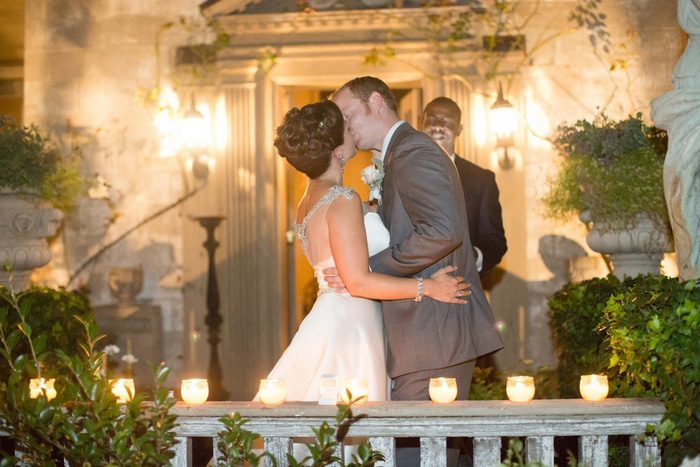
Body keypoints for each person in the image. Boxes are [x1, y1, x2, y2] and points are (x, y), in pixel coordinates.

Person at [258, 99, 470, 403]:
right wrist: (429, 287)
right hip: (351, 325)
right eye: (345, 126)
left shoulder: (308, 200)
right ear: (338, 151)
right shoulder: (342, 199)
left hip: (331, 315)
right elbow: (358, 282)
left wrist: (374, 211)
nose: (352, 128)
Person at [329, 77, 504, 404]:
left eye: (348, 113)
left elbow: (442, 232)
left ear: (376, 102)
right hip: (423, 335)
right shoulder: (398, 153)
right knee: (435, 452)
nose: (344, 125)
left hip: (433, 333)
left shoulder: (413, 150)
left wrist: (365, 269)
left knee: (419, 451)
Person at [420, 97, 507, 278]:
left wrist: (472, 255)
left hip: (461, 285)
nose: (437, 127)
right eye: (431, 120)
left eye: (447, 122)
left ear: (459, 129)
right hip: (411, 288)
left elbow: (495, 241)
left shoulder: (481, 180)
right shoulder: (402, 171)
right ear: (420, 123)